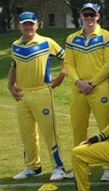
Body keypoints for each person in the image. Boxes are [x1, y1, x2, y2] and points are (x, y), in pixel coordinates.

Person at [9, 11, 67, 181]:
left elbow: (66, 57)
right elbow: (14, 66)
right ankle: (33, 167)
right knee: (27, 132)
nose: (28, 27)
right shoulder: (15, 45)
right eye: (25, 24)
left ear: (37, 25)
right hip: (23, 94)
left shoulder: (46, 42)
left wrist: (62, 75)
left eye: (31, 24)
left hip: (42, 91)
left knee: (49, 131)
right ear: (19, 26)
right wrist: (10, 85)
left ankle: (58, 167)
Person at [64, 2, 109, 182]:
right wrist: (79, 82)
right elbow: (69, 63)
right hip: (79, 88)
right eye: (85, 15)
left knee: (105, 126)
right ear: (81, 16)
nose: (89, 18)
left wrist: (92, 83)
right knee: (78, 126)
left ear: (98, 16)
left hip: (99, 87)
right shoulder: (72, 38)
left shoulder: (107, 36)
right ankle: (81, 165)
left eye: (92, 15)